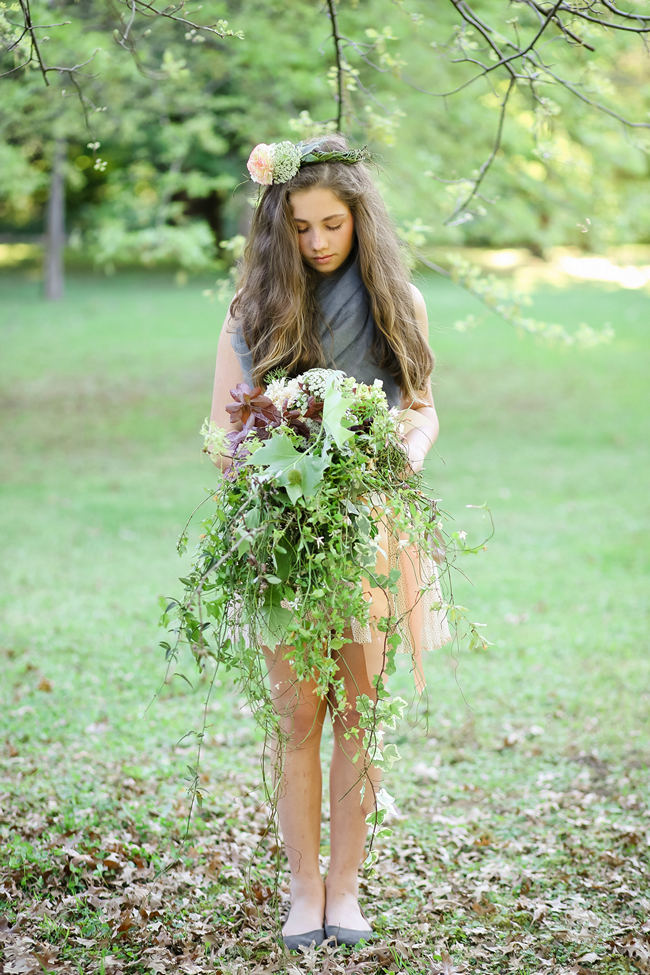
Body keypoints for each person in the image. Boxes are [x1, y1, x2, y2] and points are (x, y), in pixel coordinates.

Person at [208, 135, 446, 950]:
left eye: (332, 223)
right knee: (298, 714)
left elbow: (421, 406)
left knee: (358, 713)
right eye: (300, 226)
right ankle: (302, 887)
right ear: (277, 223)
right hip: (285, 535)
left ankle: (346, 888)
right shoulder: (253, 310)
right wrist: (264, 463)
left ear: (359, 219)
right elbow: (222, 430)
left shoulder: (398, 302)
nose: (315, 242)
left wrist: (400, 453)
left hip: (371, 529)